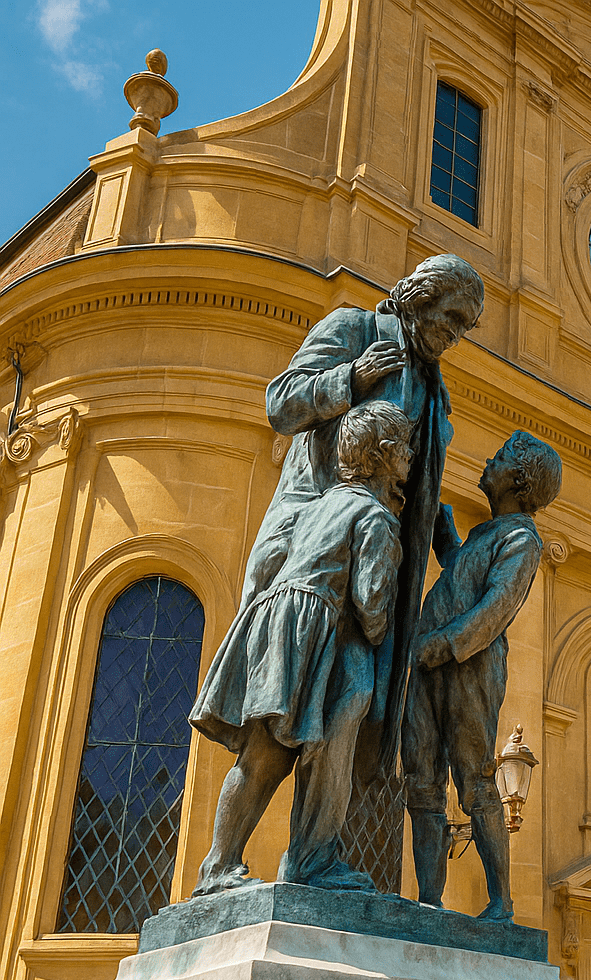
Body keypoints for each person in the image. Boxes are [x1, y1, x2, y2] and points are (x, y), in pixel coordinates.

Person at [245, 253, 483, 779]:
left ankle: (314, 858)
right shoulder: (354, 328)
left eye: (464, 328)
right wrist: (349, 378)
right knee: (279, 706)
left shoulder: (434, 388)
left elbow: (420, 483)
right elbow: (280, 404)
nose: (455, 337)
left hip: (378, 557)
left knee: (354, 700)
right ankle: (222, 861)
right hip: (318, 540)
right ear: (421, 301)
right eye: (451, 319)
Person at [191, 402, 410, 894]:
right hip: (319, 629)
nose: (412, 462)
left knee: (263, 753)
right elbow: (371, 603)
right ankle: (312, 858)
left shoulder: (319, 504)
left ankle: (218, 864)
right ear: (388, 454)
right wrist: (381, 632)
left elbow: (276, 559)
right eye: (408, 452)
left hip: (277, 625)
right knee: (334, 733)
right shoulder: (375, 516)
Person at [402, 431, 562, 920]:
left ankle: (501, 905)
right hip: (430, 662)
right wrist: (445, 536)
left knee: (474, 781)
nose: (487, 461)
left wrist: (442, 644)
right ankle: (429, 901)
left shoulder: (522, 540)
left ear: (516, 480)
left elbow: (494, 610)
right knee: (422, 781)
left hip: (469, 668)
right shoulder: (486, 535)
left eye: (497, 458)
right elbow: (462, 576)